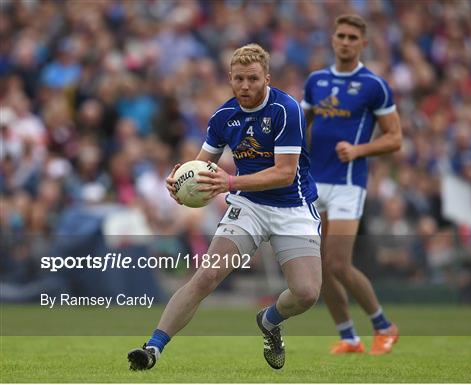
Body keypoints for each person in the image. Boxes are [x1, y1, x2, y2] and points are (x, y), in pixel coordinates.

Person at [127, 44, 321, 371]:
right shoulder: (223, 117)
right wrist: (180, 183)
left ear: (267, 79)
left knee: (306, 293)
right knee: (207, 274)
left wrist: (229, 183)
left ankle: (270, 320)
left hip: (292, 208)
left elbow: (285, 174)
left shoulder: (286, 110)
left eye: (253, 79)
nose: (245, 86)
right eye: (239, 79)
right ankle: (152, 348)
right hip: (248, 207)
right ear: (230, 78)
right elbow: (201, 166)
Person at [301, 14, 402, 355]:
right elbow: (300, 127)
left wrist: (360, 149)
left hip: (348, 184)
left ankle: (384, 325)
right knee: (318, 266)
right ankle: (349, 337)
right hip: (315, 183)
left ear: (363, 44)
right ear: (332, 39)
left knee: (338, 263)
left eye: (352, 37)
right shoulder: (316, 82)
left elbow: (395, 138)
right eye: (340, 35)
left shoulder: (374, 85)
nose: (345, 41)